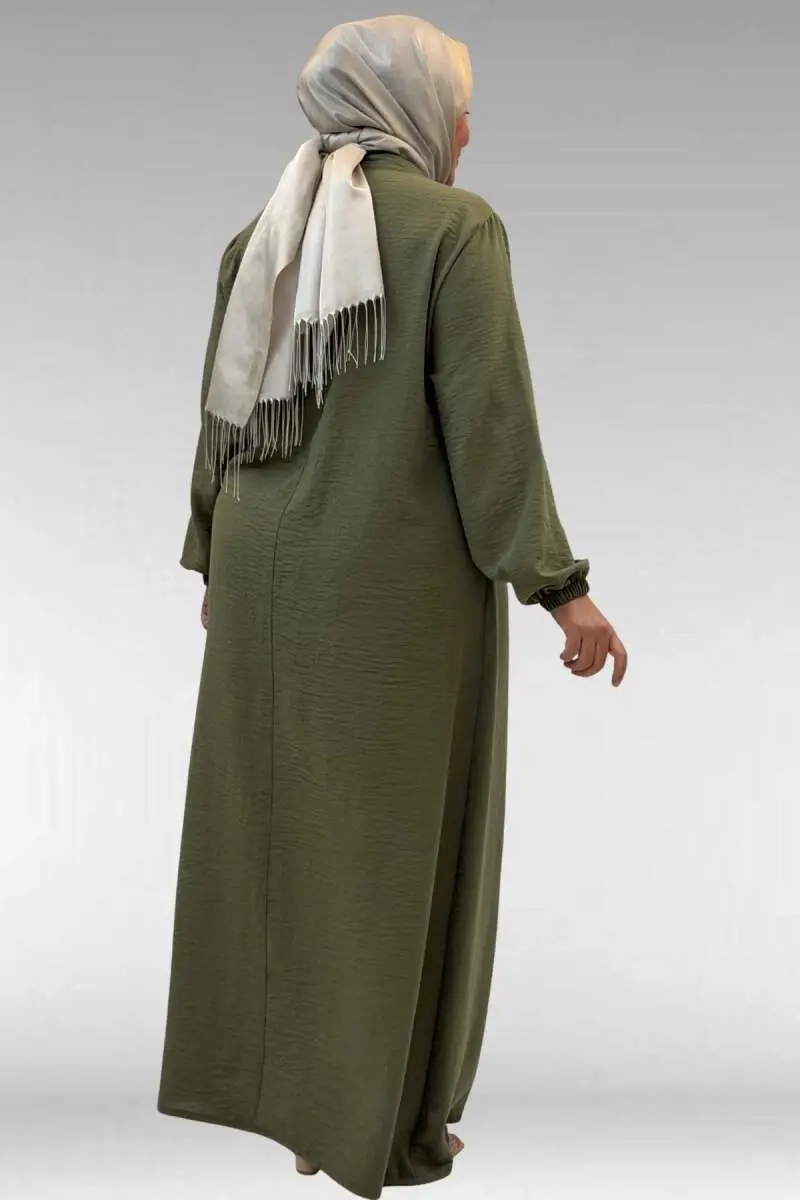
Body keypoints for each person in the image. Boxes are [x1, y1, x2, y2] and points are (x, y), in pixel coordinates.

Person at [157, 13, 628, 1200]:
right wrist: (559, 588)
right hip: (391, 591)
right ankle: (383, 1124)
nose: (466, 131)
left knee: (278, 841)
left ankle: (304, 1109)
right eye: (458, 107)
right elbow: (489, 424)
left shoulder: (259, 236)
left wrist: (213, 561)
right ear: (406, 107)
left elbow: (220, 419)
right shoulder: (454, 229)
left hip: (261, 583)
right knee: (392, 854)